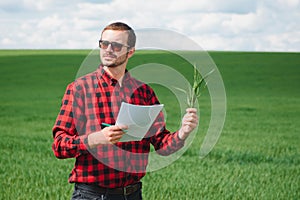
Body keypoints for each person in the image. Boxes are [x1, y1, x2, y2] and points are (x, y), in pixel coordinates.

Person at [52, 22, 198, 200]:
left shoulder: (143, 92)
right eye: (104, 44)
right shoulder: (80, 89)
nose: (108, 49)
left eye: (116, 45)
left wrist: (183, 132)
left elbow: (162, 145)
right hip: (91, 195)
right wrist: (96, 139)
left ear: (130, 51)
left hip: (132, 194)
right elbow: (59, 146)